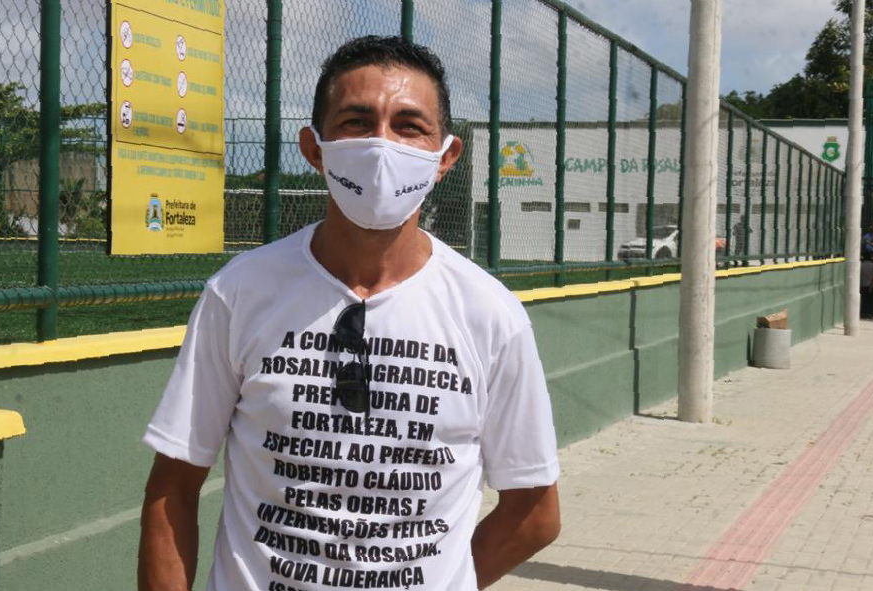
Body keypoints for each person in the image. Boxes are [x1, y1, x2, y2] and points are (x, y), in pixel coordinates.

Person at [138, 36, 561, 591]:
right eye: (357, 121)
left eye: (410, 125)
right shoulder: (240, 292)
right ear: (314, 148)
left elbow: (535, 511)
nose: (382, 145)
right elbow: (173, 487)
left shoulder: (490, 315)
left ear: (445, 158)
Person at [861, 252, 873, 318]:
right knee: (871, 300)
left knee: (864, 300)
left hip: (863, 285)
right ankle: (870, 313)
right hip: (872, 285)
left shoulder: (861, 265)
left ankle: (863, 313)